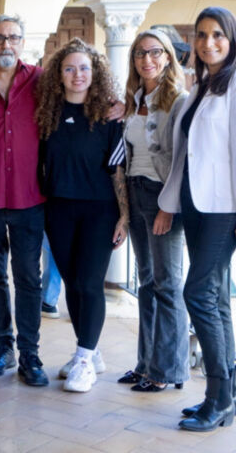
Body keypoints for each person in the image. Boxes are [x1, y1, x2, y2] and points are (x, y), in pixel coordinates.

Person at [159, 7, 236, 432]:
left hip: (225, 207)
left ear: (231, 39)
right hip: (195, 204)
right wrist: (170, 204)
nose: (209, 43)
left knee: (198, 294)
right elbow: (185, 157)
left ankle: (219, 394)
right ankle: (226, 390)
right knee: (216, 296)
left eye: (218, 35)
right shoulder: (201, 87)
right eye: (202, 35)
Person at [36, 38, 128, 393]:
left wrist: (124, 216)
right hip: (58, 208)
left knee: (90, 284)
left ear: (96, 73)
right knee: (72, 284)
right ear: (59, 74)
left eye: (85, 68)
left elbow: (117, 169)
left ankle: (85, 360)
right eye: (70, 68)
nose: (78, 75)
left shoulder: (109, 115)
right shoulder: (47, 114)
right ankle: (89, 350)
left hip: (99, 210)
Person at [0, 14, 48, 387]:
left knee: (28, 278)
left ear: (23, 42)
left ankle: (30, 353)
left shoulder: (42, 81)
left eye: (14, 37)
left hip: (30, 197)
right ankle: (3, 346)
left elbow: (85, 95)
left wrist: (116, 105)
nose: (6, 44)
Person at [118, 29, 188, 393]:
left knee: (167, 285)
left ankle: (167, 370)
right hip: (136, 192)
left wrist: (168, 207)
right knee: (146, 283)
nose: (147, 59)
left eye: (155, 52)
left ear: (167, 57)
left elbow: (181, 160)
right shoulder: (135, 99)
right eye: (140, 53)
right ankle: (145, 364)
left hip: (163, 197)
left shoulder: (178, 100)